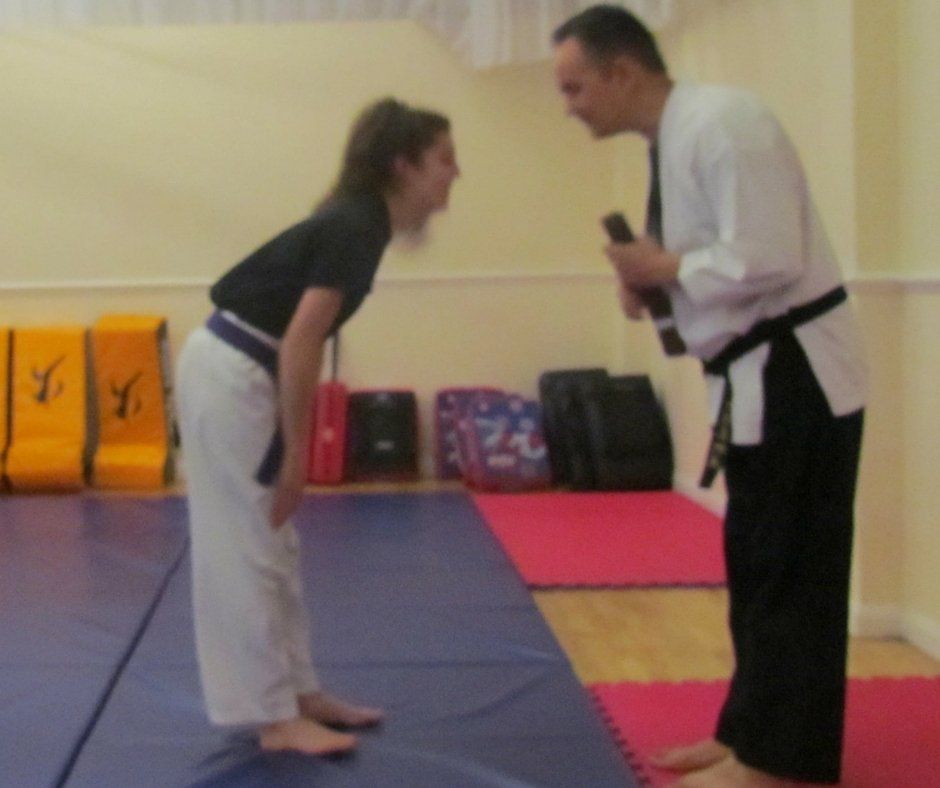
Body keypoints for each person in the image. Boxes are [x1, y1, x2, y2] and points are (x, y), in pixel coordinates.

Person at [552, 6, 866, 787]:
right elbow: (709, 262)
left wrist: (664, 271)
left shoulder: (725, 122)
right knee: (757, 562)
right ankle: (748, 733)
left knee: (792, 569)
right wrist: (652, 288)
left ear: (623, 72)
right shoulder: (676, 136)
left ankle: (781, 762)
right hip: (758, 376)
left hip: (800, 374)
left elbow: (767, 254)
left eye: (575, 86)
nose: (570, 105)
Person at [175, 97, 459, 756]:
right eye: (444, 159)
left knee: (276, 544)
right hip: (235, 370)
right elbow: (301, 340)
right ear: (403, 164)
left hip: (245, 368)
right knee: (246, 542)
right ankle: (272, 717)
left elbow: (305, 337)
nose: (455, 174)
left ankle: (298, 692)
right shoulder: (356, 225)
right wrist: (300, 451)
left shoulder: (362, 223)